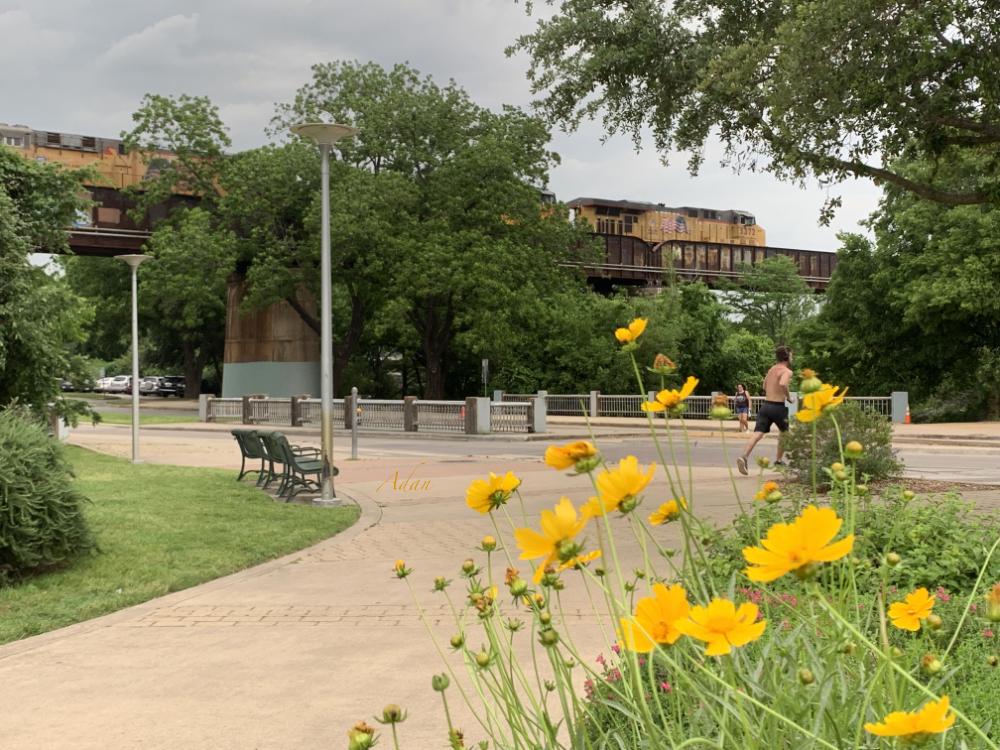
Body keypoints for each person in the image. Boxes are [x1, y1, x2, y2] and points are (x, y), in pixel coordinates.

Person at [737, 347, 795, 475]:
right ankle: (779, 461)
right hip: (778, 406)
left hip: (766, 406)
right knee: (784, 434)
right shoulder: (787, 371)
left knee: (758, 433)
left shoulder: (771, 370)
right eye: (791, 356)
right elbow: (783, 384)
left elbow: (764, 386)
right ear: (786, 358)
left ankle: (744, 457)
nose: (792, 358)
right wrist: (789, 397)